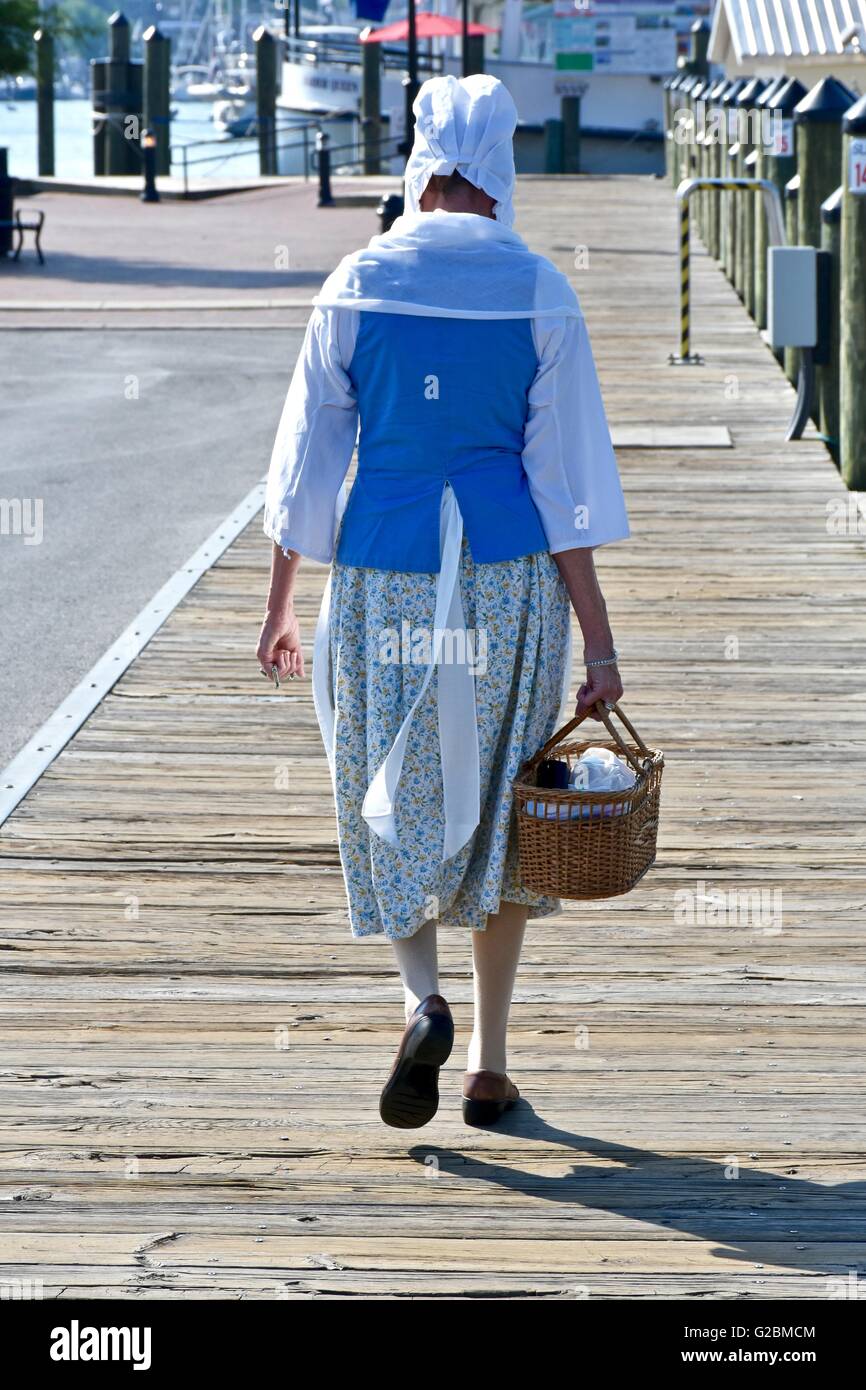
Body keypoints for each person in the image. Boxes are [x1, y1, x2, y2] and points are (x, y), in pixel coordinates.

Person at [257, 73, 629, 1130]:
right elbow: (567, 489)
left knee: (376, 777)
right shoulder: (540, 291)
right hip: (508, 581)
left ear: (419, 159)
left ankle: (421, 1003)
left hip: (382, 572)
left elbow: (308, 460)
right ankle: (493, 1065)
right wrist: (598, 643)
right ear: (501, 164)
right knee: (506, 811)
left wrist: (281, 603)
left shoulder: (357, 281)